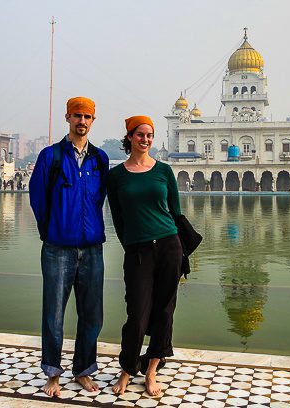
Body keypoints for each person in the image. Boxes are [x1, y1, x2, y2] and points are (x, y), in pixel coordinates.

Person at [28, 96, 109, 397]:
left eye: (87, 116)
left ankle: (83, 370)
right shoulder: (52, 156)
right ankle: (52, 373)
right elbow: (37, 198)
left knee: (92, 313)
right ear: (67, 118)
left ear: (93, 120)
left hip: (91, 248)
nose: (82, 121)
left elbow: (98, 197)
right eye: (77, 116)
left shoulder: (99, 159)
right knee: (54, 314)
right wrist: (51, 231)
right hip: (58, 248)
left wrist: (87, 227)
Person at [107, 116, 183, 397]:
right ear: (129, 138)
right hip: (138, 249)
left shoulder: (163, 171)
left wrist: (179, 250)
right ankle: (127, 369)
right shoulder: (116, 176)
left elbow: (175, 212)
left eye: (150, 135)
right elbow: (117, 216)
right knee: (136, 313)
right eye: (140, 135)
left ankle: (151, 371)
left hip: (168, 245)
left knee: (164, 311)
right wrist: (131, 244)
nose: (146, 139)